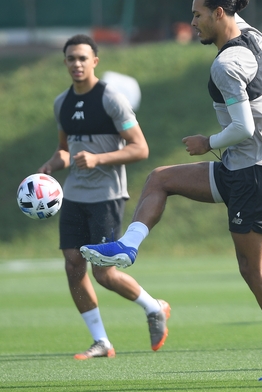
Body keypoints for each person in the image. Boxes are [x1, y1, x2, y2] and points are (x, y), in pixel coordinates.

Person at [80, 0, 262, 380]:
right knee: (160, 179)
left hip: (255, 172)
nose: (192, 23)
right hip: (241, 168)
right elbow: (228, 8)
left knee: (254, 271)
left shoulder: (226, 65)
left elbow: (244, 128)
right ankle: (128, 247)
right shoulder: (253, 37)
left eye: (197, 15)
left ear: (219, 14)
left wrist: (207, 141)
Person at [37, 34, 168, 359]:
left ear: (95, 61)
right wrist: (52, 165)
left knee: (103, 272)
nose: (77, 64)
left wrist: (98, 159)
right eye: (71, 59)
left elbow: (141, 148)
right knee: (72, 265)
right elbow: (66, 152)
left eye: (83, 58)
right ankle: (102, 341)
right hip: (74, 195)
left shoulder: (111, 99)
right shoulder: (61, 103)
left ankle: (154, 307)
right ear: (65, 62)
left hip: (107, 195)